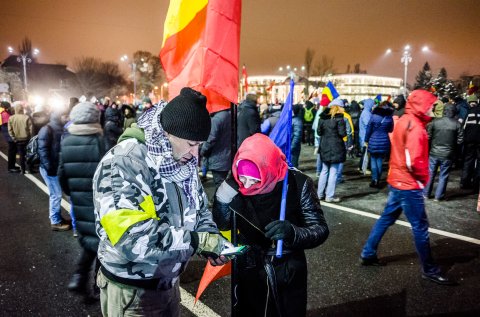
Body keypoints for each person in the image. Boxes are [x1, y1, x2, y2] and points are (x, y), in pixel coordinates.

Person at [93, 87, 231, 316]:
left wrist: (210, 237)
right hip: (133, 293)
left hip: (168, 284)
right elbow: (131, 238)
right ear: (167, 133)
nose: (195, 154)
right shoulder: (124, 162)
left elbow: (198, 209)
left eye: (200, 145)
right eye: (191, 144)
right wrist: (197, 242)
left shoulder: (181, 159)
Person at [213, 133, 329, 317]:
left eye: (255, 179)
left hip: (286, 269)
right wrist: (221, 200)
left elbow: (320, 229)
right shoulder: (235, 183)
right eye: (243, 177)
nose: (248, 185)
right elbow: (222, 223)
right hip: (249, 267)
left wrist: (292, 232)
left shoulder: (298, 183)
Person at [360, 89, 455, 286]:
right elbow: (414, 162)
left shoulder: (404, 120)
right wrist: (422, 180)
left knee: (386, 218)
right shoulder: (416, 127)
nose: (432, 109)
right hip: (408, 184)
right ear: (421, 105)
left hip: (397, 179)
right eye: (430, 105)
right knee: (420, 227)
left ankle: (368, 253)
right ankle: (429, 269)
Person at [58, 102, 105, 300]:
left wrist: (72, 193)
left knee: (90, 241)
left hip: (79, 200)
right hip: (100, 201)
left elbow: (62, 175)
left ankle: (79, 278)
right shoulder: (101, 141)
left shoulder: (66, 142)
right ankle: (97, 285)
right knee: (104, 242)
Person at [38, 107, 72, 231]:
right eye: (65, 116)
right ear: (59, 116)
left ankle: (57, 218)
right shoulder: (47, 129)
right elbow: (42, 150)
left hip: (55, 166)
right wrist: (50, 168)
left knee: (57, 193)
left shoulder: (61, 128)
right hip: (50, 168)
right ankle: (55, 221)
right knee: (56, 194)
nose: (67, 118)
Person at [424, 104, 463, 200]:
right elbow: (460, 140)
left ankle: (426, 194)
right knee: (443, 175)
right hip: (448, 154)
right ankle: (438, 196)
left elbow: (428, 136)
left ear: (444, 111)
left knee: (430, 173)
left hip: (434, 152)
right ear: (453, 112)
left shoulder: (435, 122)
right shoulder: (457, 124)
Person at [317, 99, 347, 202]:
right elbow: (342, 133)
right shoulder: (339, 119)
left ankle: (319, 194)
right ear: (338, 107)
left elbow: (319, 132)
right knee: (333, 172)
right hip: (336, 147)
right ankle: (329, 196)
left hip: (324, 146)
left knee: (324, 171)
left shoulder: (322, 118)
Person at [200, 108, 231, 189]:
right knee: (223, 183)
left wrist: (202, 151)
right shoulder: (229, 115)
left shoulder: (216, 119)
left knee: (219, 185)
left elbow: (210, 140)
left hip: (218, 157)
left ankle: (219, 201)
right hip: (227, 156)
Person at [364, 101, 394, 188]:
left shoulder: (374, 116)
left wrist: (366, 140)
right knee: (380, 160)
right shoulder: (389, 118)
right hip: (384, 141)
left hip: (373, 140)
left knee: (373, 159)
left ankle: (374, 179)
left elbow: (368, 129)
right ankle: (378, 179)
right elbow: (391, 130)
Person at [460, 94, 480, 190]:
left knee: (468, 160)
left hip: (469, 141)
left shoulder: (468, 113)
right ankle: (476, 183)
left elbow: (463, 127)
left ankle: (465, 182)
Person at [8, 101, 33, 174]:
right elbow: (30, 129)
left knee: (21, 154)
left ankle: (23, 170)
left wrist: (14, 138)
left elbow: (10, 130)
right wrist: (30, 137)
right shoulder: (26, 117)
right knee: (28, 154)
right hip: (27, 139)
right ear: (22, 109)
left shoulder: (11, 118)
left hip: (17, 139)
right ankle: (30, 169)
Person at [1, 101, 19, 173]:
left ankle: (12, 166)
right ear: (7, 107)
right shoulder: (5, 114)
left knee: (13, 151)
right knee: (12, 151)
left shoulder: (6, 113)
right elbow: (8, 125)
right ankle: (11, 167)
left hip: (9, 134)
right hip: (9, 135)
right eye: (9, 106)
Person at [290, 104, 303, 168]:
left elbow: (297, 136)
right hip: (290, 146)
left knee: (293, 165)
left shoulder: (297, 121)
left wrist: (292, 147)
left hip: (293, 147)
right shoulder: (293, 119)